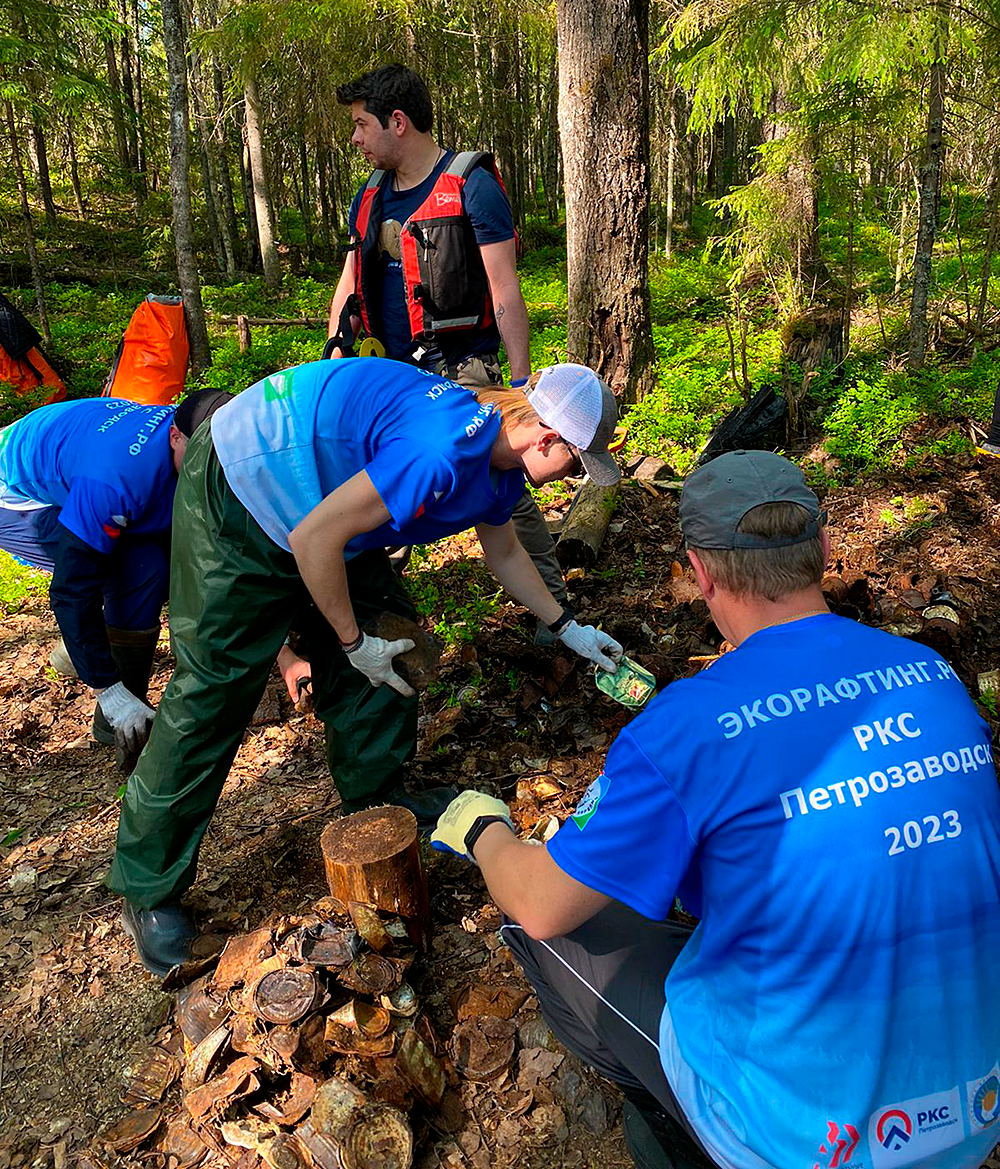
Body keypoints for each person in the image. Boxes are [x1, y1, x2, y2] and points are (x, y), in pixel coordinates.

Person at [431, 449, 1000, 1169]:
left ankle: (677, 1133)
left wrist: (484, 829)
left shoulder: (691, 723)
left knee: (549, 930)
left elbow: (542, 902)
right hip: (971, 1112)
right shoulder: (935, 675)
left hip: (800, 1141)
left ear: (700, 572)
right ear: (824, 550)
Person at [110, 357, 624, 977]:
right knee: (215, 689)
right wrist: (351, 642)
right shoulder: (439, 451)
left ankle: (376, 799)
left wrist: (567, 627)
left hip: (327, 505)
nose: (572, 478)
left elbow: (506, 550)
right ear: (545, 436)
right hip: (242, 491)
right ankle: (148, 889)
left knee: (394, 645)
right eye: (575, 461)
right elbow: (312, 540)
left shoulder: (501, 463)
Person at [327, 63, 570, 636]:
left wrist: (518, 381)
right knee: (374, 480)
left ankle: (552, 603)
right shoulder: (369, 196)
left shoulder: (471, 184)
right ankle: (379, 607)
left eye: (362, 126)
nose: (356, 139)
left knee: (502, 483)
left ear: (399, 122)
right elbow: (347, 283)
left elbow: (505, 286)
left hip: (463, 365)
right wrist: (336, 361)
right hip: (387, 370)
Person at [0, 390, 232, 768]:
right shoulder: (118, 478)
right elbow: (72, 589)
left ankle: (76, 653)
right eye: (204, 458)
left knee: (157, 547)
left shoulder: (200, 427)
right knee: (138, 569)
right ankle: (118, 718)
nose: (214, 468)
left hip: (79, 457)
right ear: (175, 436)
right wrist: (110, 692)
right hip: (18, 493)